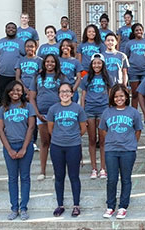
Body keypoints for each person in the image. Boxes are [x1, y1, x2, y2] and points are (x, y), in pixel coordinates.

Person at [100, 84, 143, 219]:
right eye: (116, 96)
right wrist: (112, 140)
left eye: (121, 96)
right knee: (111, 179)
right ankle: (110, 206)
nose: (119, 98)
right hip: (111, 150)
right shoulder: (107, 112)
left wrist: (131, 143)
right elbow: (102, 130)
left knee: (126, 179)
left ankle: (123, 206)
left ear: (126, 96)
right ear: (112, 97)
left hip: (128, 150)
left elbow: (138, 130)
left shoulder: (133, 112)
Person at [0, 81, 36, 221]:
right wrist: (9, 149)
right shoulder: (3, 108)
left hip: (25, 145)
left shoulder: (28, 107)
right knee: (12, 178)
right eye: (13, 90)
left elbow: (31, 128)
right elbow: (0, 130)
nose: (16, 93)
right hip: (9, 145)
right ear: (8, 92)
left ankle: (24, 207)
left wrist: (24, 147)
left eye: (19, 90)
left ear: (22, 92)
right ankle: (14, 208)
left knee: (25, 177)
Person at [47, 83, 87, 217]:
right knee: (59, 176)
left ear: (72, 93)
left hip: (73, 146)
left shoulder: (78, 109)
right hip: (57, 146)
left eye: (67, 91)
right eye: (62, 91)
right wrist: (60, 137)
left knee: (74, 176)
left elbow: (83, 128)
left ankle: (76, 205)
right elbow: (50, 129)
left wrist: (72, 137)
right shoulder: (53, 109)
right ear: (58, 94)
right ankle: (60, 205)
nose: (64, 94)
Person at [29, 54, 67, 181]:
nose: (49, 64)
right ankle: (43, 171)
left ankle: (57, 171)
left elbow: (66, 95)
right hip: (42, 114)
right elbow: (32, 97)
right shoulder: (37, 77)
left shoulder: (61, 77)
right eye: (47, 61)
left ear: (56, 63)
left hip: (57, 114)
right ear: (44, 63)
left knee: (57, 143)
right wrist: (36, 112)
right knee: (44, 142)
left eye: (52, 61)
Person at [80, 53, 113, 179]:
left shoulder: (107, 77)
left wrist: (111, 109)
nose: (97, 65)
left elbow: (111, 93)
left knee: (103, 140)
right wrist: (82, 112)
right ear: (91, 64)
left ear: (103, 64)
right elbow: (83, 96)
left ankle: (103, 168)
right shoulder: (87, 77)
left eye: (99, 63)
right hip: (90, 110)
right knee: (92, 140)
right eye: (94, 63)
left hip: (103, 109)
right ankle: (94, 168)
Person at [15, 38, 42, 152]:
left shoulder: (40, 60)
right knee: (24, 117)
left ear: (35, 47)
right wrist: (24, 89)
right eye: (27, 46)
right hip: (22, 91)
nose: (29, 48)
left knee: (33, 117)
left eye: (32, 46)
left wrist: (32, 91)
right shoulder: (20, 60)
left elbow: (40, 76)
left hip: (35, 92)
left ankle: (34, 141)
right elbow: (17, 77)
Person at [0, 22, 25, 109]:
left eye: (13, 28)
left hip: (17, 77)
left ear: (16, 30)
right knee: (3, 99)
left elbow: (26, 57)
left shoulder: (21, 43)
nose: (11, 29)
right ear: (6, 30)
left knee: (20, 98)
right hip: (3, 76)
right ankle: (0, 120)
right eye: (9, 28)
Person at [125, 23, 145, 108]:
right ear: (133, 32)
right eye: (137, 30)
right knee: (135, 93)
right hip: (133, 70)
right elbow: (126, 57)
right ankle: (134, 112)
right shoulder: (129, 43)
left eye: (140, 30)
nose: (139, 31)